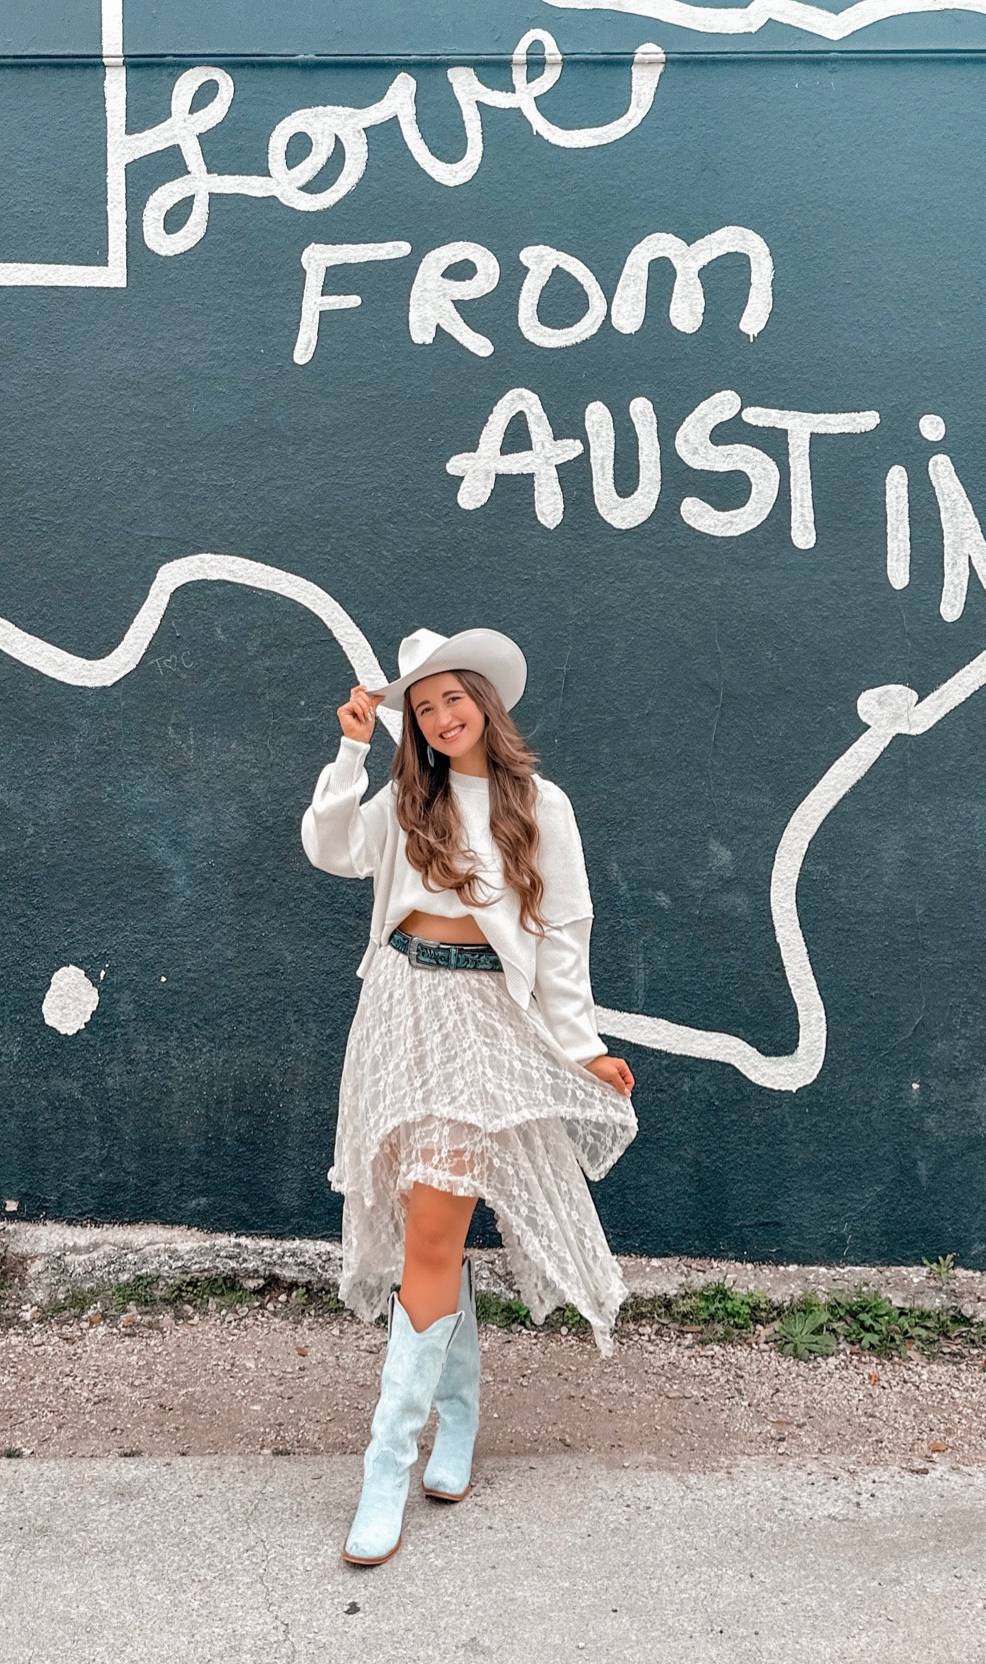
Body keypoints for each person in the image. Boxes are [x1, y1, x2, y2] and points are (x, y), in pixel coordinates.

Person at [302, 625, 638, 1566]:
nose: (442, 718)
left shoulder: (540, 803)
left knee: (437, 1230)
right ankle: (456, 1422)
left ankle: (385, 1466)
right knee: (427, 1232)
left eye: (454, 698)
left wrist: (582, 1047)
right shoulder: (411, 796)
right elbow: (330, 848)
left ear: (486, 701)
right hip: (400, 1006)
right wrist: (351, 748)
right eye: (424, 707)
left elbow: (563, 931)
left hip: (484, 1020)